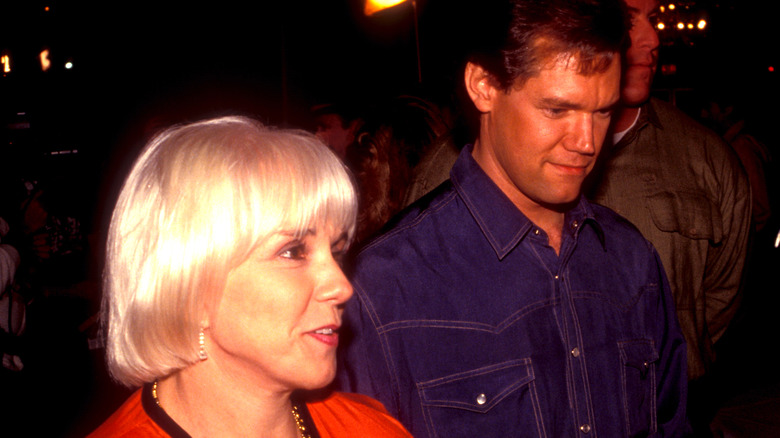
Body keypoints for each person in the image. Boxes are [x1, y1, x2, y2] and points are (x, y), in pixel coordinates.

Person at [337, 0, 688, 437]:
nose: (586, 142)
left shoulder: (631, 258)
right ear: (483, 85)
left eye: (602, 112)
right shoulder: (384, 287)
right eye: (557, 109)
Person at [89, 116, 411, 437]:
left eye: (338, 252)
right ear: (188, 288)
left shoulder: (372, 429)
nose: (341, 286)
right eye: (293, 251)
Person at [585, 0, 751, 383]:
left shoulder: (707, 157)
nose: (653, 38)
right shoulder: (469, 164)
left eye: (653, 18)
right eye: (627, 18)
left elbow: (721, 299)